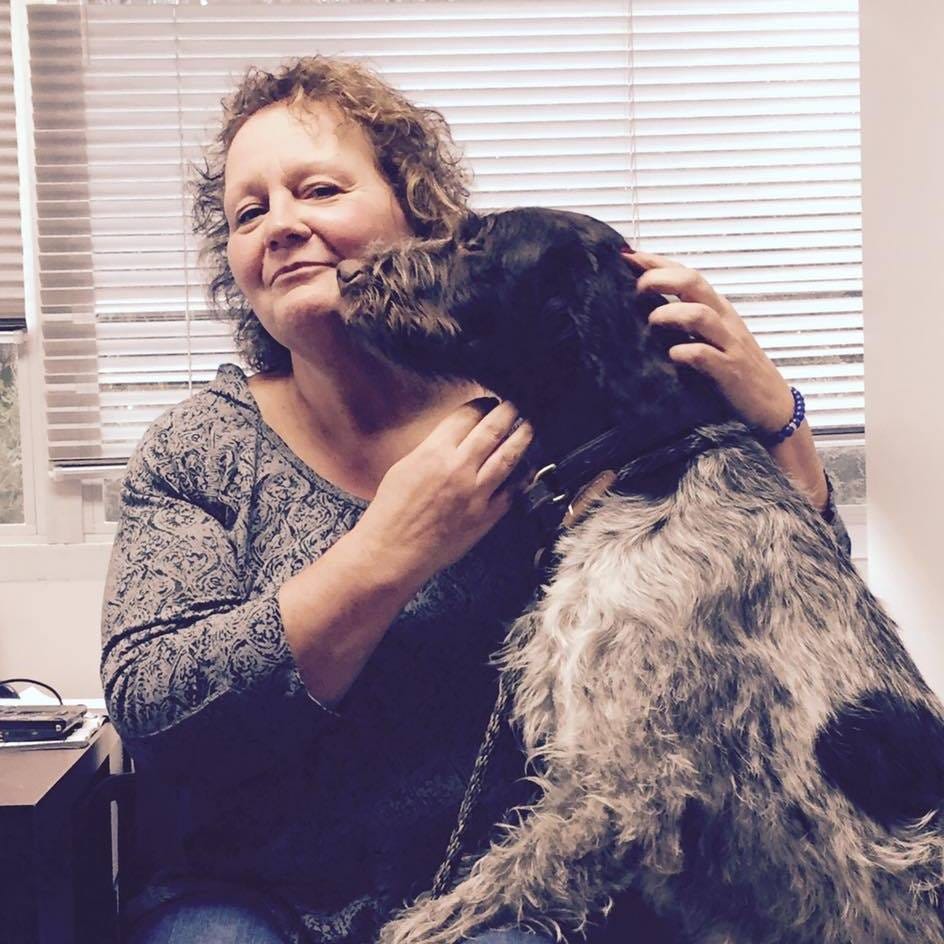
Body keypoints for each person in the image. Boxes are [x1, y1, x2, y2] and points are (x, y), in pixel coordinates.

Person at [100, 57, 849, 944]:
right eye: (248, 213)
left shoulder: (560, 414)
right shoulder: (198, 447)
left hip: (517, 890)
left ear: (417, 212)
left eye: (320, 190)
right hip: (244, 892)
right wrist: (387, 552)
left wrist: (780, 422)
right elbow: (156, 714)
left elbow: (778, 631)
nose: (283, 226)